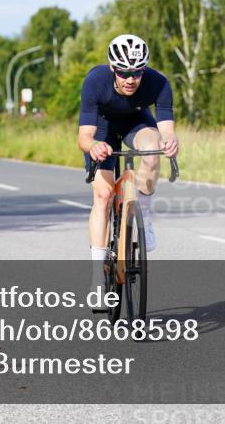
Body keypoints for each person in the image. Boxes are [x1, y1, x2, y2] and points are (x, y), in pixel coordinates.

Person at [77, 34, 179, 288]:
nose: (131, 79)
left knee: (153, 151)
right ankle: (98, 277)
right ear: (112, 68)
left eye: (137, 72)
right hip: (103, 128)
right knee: (103, 195)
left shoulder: (158, 83)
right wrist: (94, 146)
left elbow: (166, 129)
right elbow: (84, 137)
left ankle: (144, 215)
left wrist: (170, 141)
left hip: (136, 122)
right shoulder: (95, 81)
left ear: (144, 69)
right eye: (123, 73)